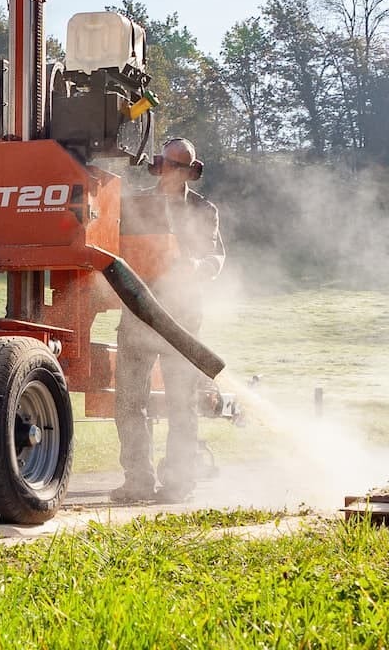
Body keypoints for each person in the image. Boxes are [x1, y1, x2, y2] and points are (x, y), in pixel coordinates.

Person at [111, 137, 225, 504]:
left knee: (181, 400)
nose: (176, 173)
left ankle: (177, 482)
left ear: (193, 170)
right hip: (139, 313)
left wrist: (195, 266)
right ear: (160, 166)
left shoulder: (204, 211)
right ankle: (137, 480)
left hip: (183, 316)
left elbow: (215, 258)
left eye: (183, 167)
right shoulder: (135, 205)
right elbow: (116, 249)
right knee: (129, 400)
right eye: (171, 165)